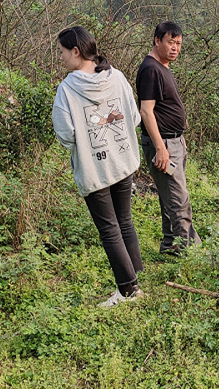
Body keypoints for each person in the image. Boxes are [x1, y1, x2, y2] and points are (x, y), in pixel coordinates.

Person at [51, 26, 145, 308]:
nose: (61, 58)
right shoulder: (116, 77)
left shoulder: (67, 89)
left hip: (95, 168)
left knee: (109, 228)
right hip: (123, 160)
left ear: (76, 51)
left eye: (62, 52)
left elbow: (66, 134)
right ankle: (135, 275)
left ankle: (128, 289)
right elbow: (134, 116)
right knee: (124, 221)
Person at [136, 21, 201, 254]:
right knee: (178, 199)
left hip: (172, 141)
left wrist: (177, 138)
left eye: (179, 44)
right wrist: (161, 148)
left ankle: (170, 244)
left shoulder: (162, 66)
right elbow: (146, 111)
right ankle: (189, 251)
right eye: (170, 42)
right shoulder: (151, 69)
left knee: (169, 197)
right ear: (157, 41)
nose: (175, 48)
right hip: (163, 144)